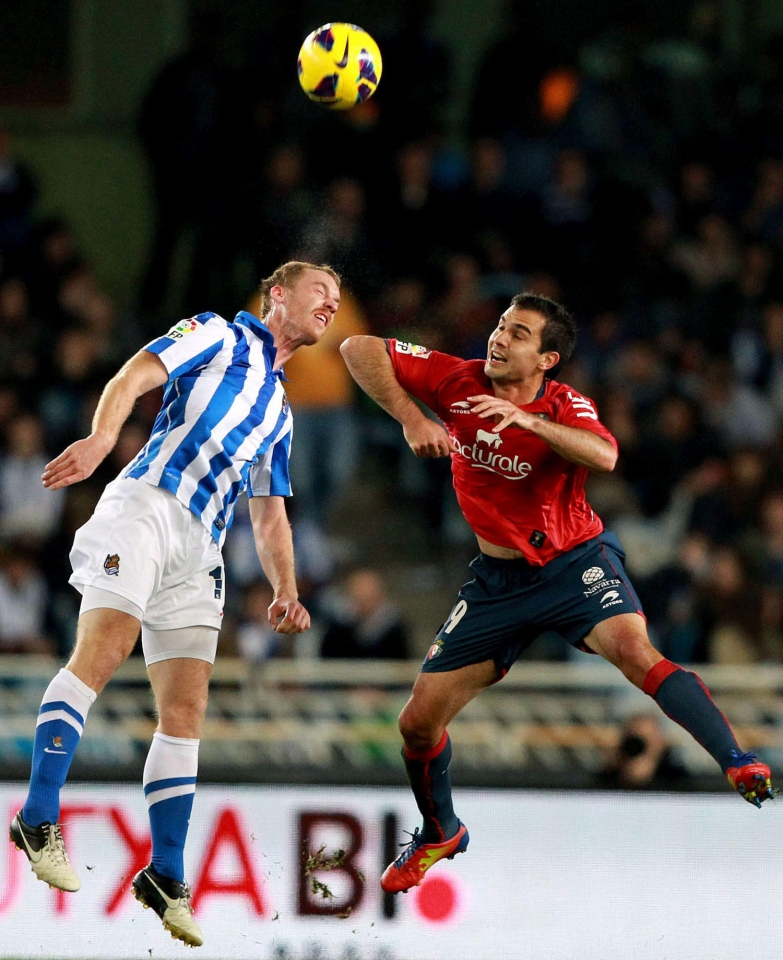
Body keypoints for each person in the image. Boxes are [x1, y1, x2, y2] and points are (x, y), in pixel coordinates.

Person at [340, 292, 775, 895]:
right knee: (416, 722)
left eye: (517, 334)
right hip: (498, 583)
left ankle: (736, 759)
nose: (497, 337)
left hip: (574, 565)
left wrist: (534, 424)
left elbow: (607, 454)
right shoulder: (455, 378)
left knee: (635, 652)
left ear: (546, 359)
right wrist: (412, 417)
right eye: (499, 326)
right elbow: (358, 348)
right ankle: (441, 830)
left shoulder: (567, 404)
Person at [9, 261, 341, 947]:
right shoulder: (217, 335)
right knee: (103, 652)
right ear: (276, 295)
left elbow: (271, 513)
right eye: (320, 291)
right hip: (147, 508)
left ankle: (164, 874)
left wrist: (286, 588)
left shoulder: (279, 408)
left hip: (202, 550)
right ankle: (38, 816)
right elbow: (136, 371)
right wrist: (104, 436)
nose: (332, 303)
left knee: (186, 711)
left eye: (338, 297)